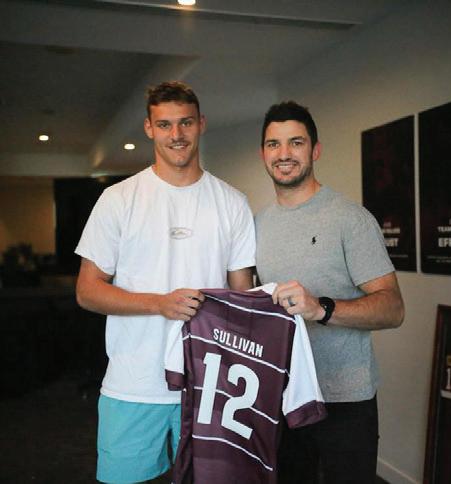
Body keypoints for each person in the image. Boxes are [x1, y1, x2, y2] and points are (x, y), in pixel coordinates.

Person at [75, 81, 255, 484]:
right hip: (133, 385)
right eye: (165, 124)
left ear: (201, 123)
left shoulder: (232, 202)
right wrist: (159, 303)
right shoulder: (119, 199)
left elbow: (242, 299)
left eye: (186, 122)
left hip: (211, 388)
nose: (177, 134)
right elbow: (87, 291)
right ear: (149, 128)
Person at [255, 101, 405, 484]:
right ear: (263, 154)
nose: (284, 154)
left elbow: (393, 308)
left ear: (315, 150)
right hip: (286, 395)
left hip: (346, 399)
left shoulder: (350, 219)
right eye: (274, 144)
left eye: (296, 142)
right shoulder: (257, 225)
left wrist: (320, 307)